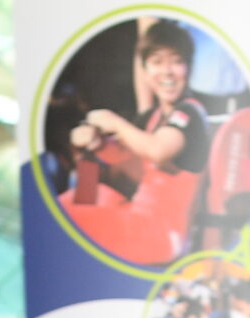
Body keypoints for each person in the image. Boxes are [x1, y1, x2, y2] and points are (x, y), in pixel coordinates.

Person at [58, 20, 212, 267]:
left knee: (66, 215)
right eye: (157, 62)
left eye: (176, 61)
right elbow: (122, 154)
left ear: (189, 67)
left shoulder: (190, 113)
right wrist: (97, 143)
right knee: (77, 197)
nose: (167, 72)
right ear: (145, 69)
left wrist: (115, 122)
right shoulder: (152, 116)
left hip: (161, 235)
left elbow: (158, 150)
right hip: (139, 216)